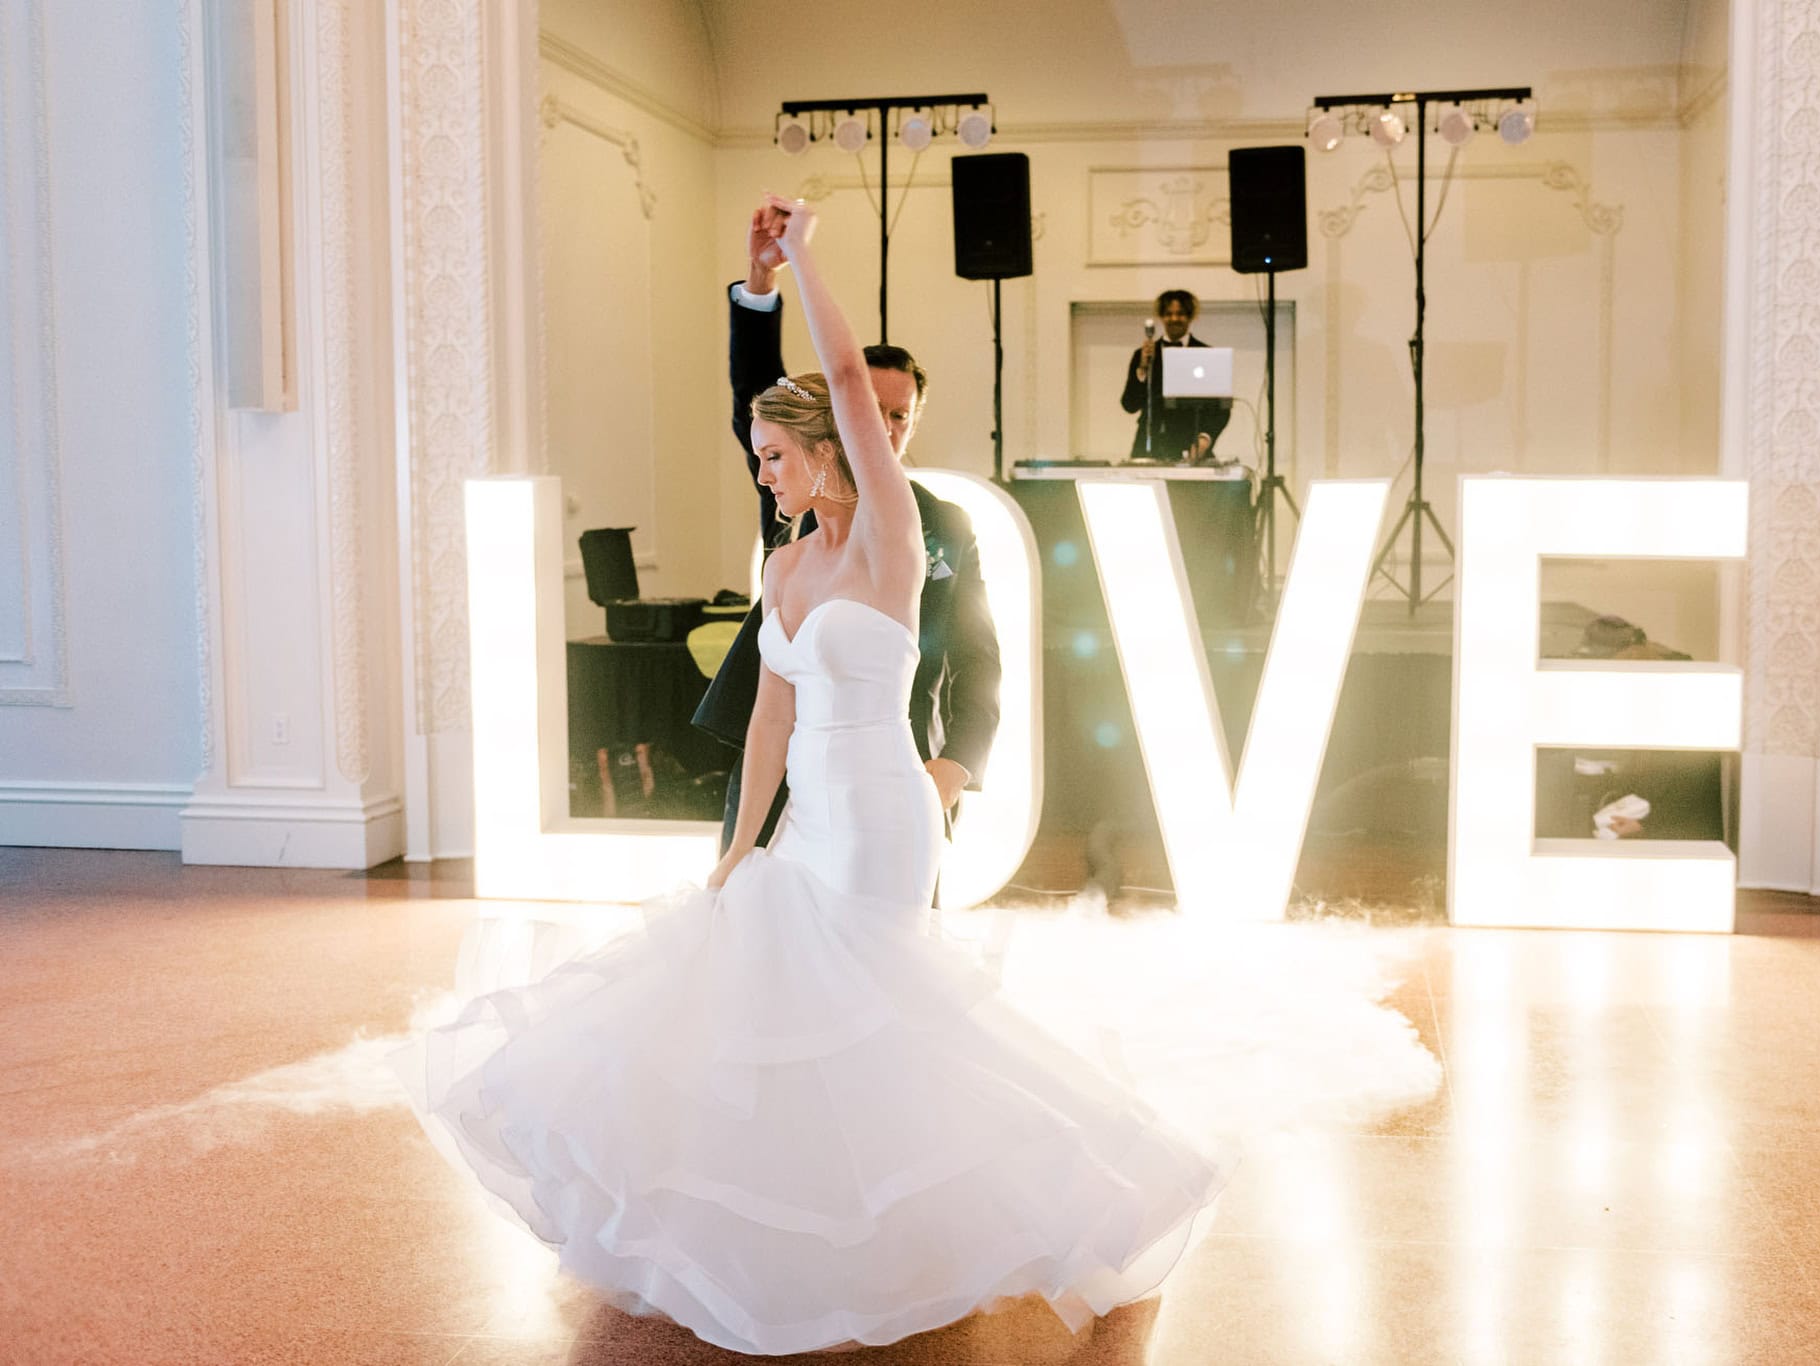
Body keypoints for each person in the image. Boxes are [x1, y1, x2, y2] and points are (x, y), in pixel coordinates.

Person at [394, 196, 1226, 1357]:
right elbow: (774, 714)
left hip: (885, 813)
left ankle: (1013, 1205)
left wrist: (800, 258)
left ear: (841, 444)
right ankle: (805, 1232)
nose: (767, 475)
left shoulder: (895, 532)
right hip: (803, 822)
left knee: (880, 1013)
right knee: (769, 1006)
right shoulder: (785, 558)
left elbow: (837, 374)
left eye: (779, 456)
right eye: (758, 460)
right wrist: (738, 853)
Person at [694, 203, 1000, 856]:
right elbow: (758, 393)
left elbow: (978, 665)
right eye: (870, 409)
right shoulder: (790, 491)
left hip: (892, 784)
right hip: (776, 777)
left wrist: (946, 775)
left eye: (900, 415)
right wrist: (760, 279)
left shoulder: (938, 523)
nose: (884, 427)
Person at [1120, 289, 1230, 461]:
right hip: (1149, 444)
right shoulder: (1143, 355)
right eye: (1168, 314)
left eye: (1180, 314)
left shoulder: (1207, 354)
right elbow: (1129, 405)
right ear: (1161, 317)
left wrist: (1205, 438)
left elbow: (1220, 409)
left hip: (1190, 444)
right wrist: (1142, 369)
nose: (1174, 319)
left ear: (1190, 316)